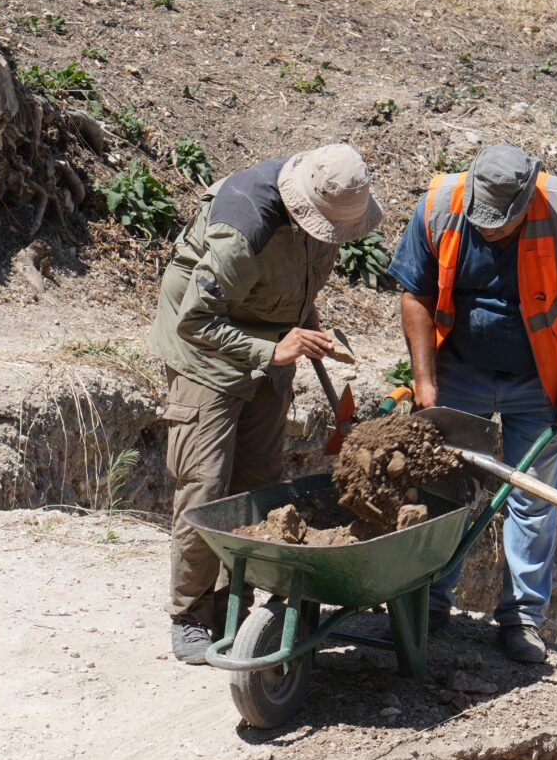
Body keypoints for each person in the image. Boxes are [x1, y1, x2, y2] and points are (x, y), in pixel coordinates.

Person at [387, 142, 557, 663]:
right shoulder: (440, 205)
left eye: (502, 222)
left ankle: (522, 620)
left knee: (533, 497)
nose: (489, 229)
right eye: (483, 219)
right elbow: (415, 295)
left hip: (540, 379)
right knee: (443, 484)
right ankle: (428, 600)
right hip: (461, 372)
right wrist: (425, 383)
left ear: (526, 199)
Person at [149, 144, 382, 665]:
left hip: (273, 342)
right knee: (206, 485)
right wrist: (272, 349)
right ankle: (190, 614)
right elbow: (195, 321)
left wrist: (308, 332)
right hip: (205, 352)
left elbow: (297, 283)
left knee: (259, 482)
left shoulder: (331, 206)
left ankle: (239, 600)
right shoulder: (244, 228)